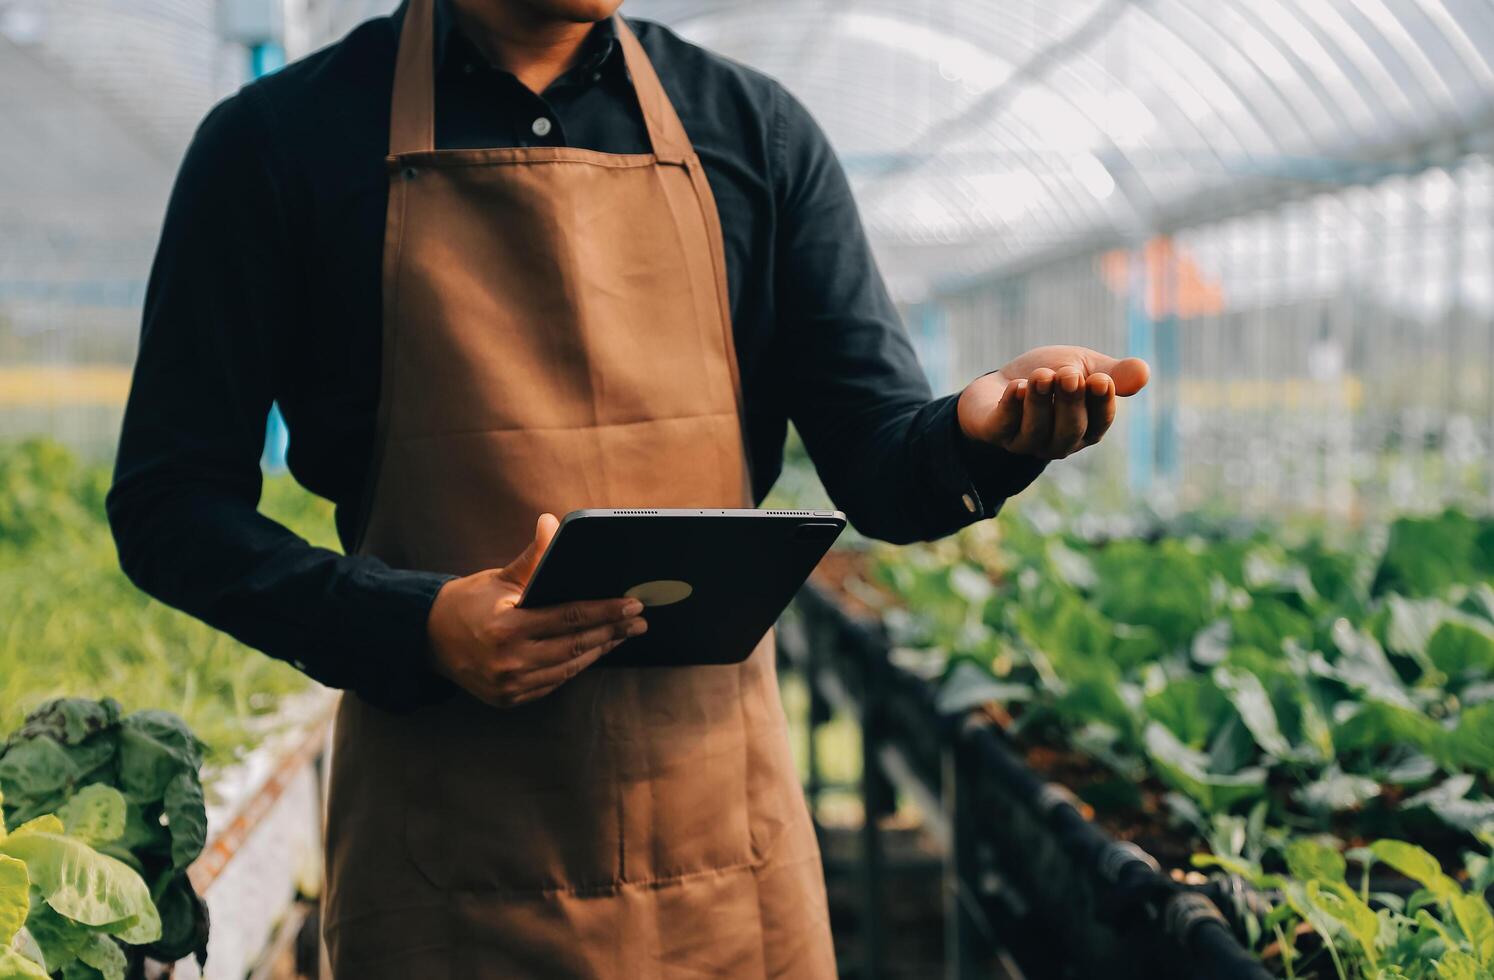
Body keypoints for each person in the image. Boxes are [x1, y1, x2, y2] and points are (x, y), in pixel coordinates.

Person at [107, 0, 1149, 974]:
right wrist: (411, 623)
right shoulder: (279, 143)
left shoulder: (754, 134)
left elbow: (881, 462)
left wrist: (982, 430)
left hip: (725, 861)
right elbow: (170, 502)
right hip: (449, 861)